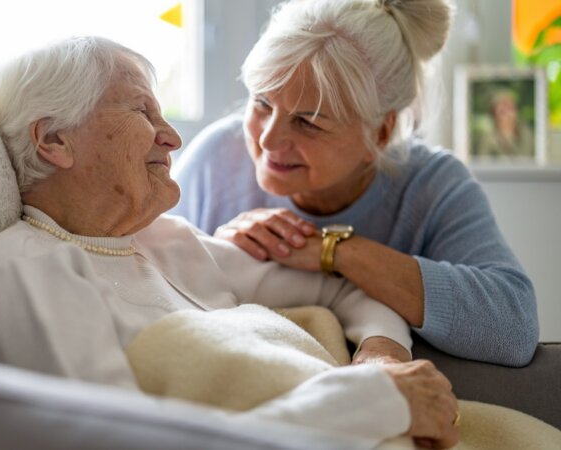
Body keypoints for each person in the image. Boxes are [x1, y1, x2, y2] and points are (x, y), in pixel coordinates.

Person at [0, 35, 459, 449]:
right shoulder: (22, 269)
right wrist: (375, 401)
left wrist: (380, 357)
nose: (172, 138)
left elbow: (345, 290)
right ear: (54, 141)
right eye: (143, 112)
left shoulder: (166, 240)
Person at [169, 0, 538, 367]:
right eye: (262, 103)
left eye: (308, 122)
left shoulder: (432, 185)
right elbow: (143, 281)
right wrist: (214, 251)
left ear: (380, 132)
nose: (267, 140)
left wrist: (335, 252)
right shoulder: (216, 159)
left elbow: (514, 328)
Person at [476, 88, 535, 159]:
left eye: (509, 106)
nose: (506, 110)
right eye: (501, 107)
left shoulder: (529, 135)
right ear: (493, 113)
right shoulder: (487, 140)